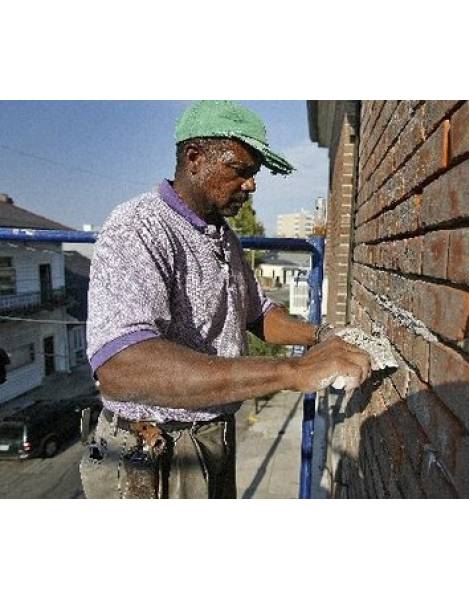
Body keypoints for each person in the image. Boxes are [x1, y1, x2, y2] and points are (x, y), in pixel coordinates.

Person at [80, 100, 371, 499]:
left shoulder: (221, 235)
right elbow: (121, 366)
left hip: (210, 434)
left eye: (255, 174)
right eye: (241, 170)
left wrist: (321, 336)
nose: (251, 184)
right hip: (153, 452)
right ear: (195, 158)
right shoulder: (139, 227)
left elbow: (258, 314)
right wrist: (291, 372)